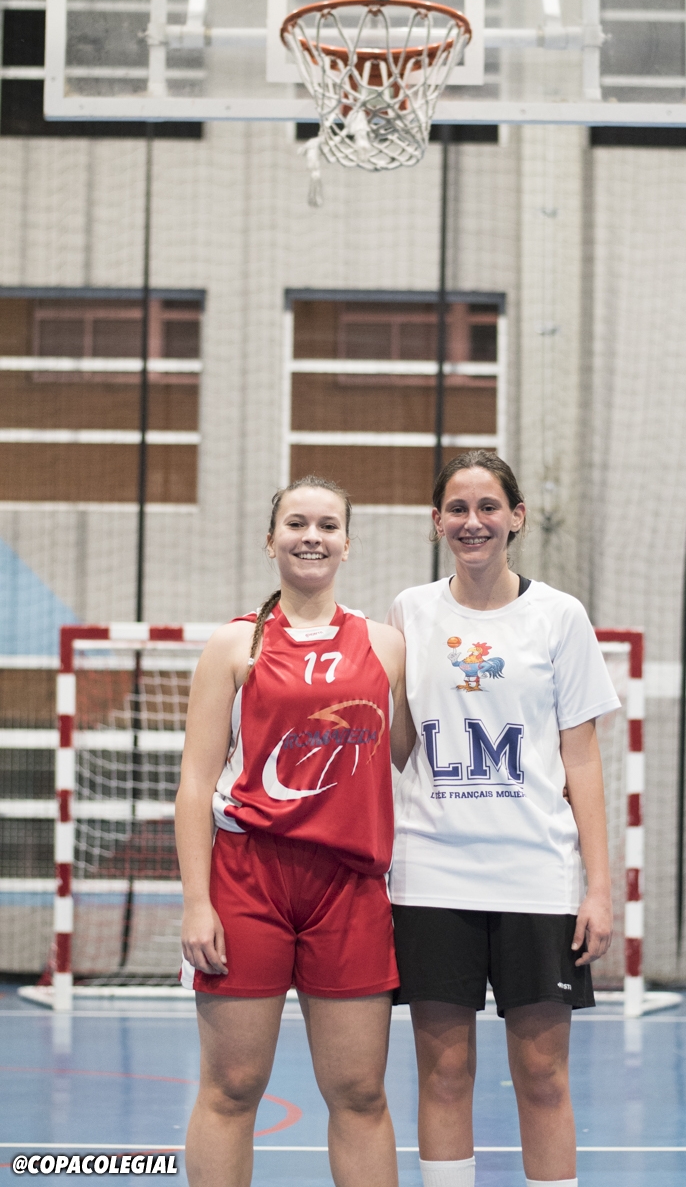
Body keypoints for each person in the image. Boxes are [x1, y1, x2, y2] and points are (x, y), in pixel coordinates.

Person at [387, 450, 619, 1187]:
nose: (472, 521)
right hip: (431, 875)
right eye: (457, 509)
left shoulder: (559, 617)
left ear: (516, 517)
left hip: (536, 877)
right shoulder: (407, 613)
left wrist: (600, 888)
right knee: (444, 1072)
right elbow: (395, 744)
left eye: (489, 507)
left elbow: (581, 760)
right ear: (436, 523)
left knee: (543, 1075)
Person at [175, 475, 407, 1187]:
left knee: (361, 1093)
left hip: (350, 888)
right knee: (232, 1087)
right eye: (297, 523)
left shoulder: (387, 645)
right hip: (249, 880)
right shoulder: (232, 645)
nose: (312, 536)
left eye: (328, 525)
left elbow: (408, 759)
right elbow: (192, 783)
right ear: (270, 540)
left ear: (348, 542)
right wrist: (195, 902)